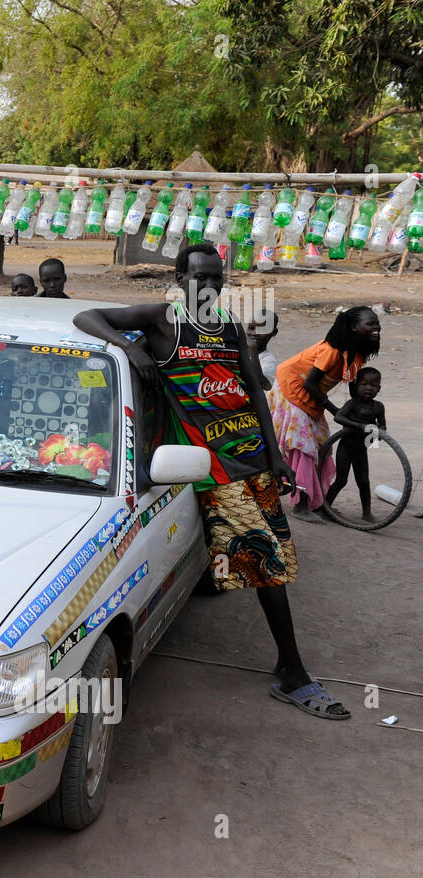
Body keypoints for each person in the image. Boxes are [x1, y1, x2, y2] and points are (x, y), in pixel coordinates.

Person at [73, 243, 350, 720]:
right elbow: (89, 317)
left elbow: (255, 395)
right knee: (267, 563)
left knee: (275, 555)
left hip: (251, 456)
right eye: (199, 276)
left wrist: (276, 455)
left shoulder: (229, 328)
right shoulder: (162, 320)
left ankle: (288, 664)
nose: (209, 285)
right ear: (179, 277)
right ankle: (291, 671)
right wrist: (129, 349)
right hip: (212, 466)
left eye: (216, 278)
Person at [267, 306, 381, 523]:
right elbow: (310, 382)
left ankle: (318, 504)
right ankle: (301, 506)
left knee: (321, 446)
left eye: (377, 324)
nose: (377, 328)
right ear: (353, 327)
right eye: (371, 324)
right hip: (291, 389)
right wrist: (336, 411)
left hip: (312, 396)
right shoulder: (332, 351)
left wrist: (359, 412)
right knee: (305, 448)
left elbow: (352, 384)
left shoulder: (357, 354)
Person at [324, 367, 386, 523]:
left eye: (373, 385)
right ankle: (325, 507)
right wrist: (358, 426)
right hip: (346, 447)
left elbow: (383, 427)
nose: (368, 388)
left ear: (379, 388)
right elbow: (338, 417)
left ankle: (367, 513)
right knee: (341, 480)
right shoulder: (352, 404)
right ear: (357, 385)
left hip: (362, 449)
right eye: (364, 384)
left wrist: (379, 433)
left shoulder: (378, 407)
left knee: (364, 482)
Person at [247, 308, 279, 391]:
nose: (254, 333)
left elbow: (265, 385)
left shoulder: (268, 361)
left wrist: (252, 349)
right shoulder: (237, 350)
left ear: (274, 332)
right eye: (251, 328)